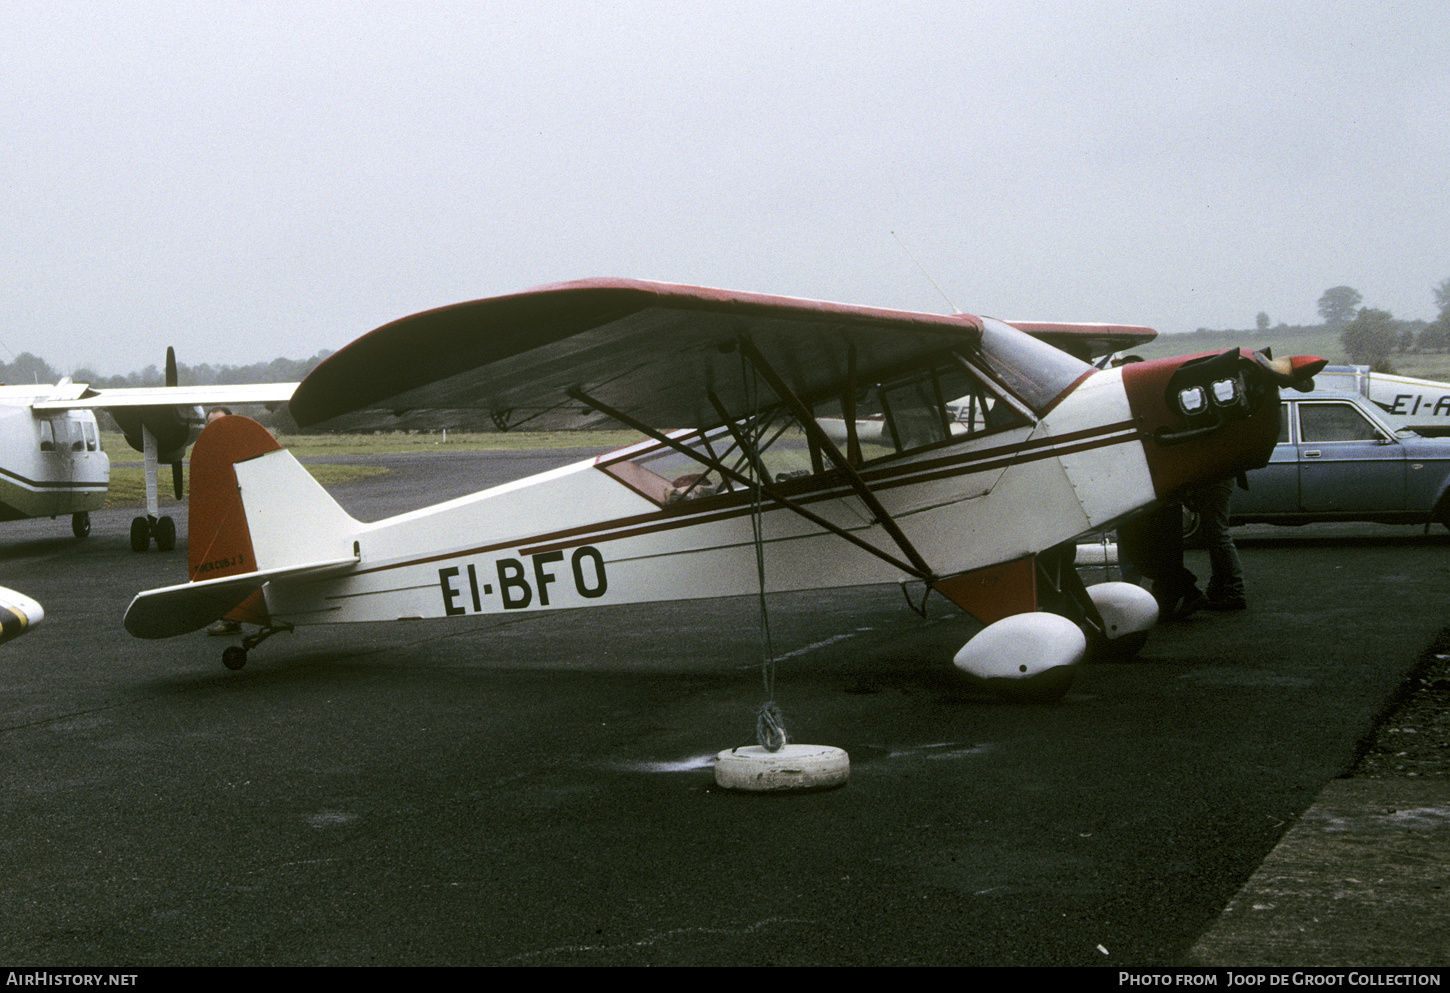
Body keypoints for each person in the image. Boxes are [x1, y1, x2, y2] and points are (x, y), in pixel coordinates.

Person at [1117, 499, 1208, 621]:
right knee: (1164, 556)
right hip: (1162, 503)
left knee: (1148, 557)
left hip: (1147, 506)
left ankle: (1186, 593)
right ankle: (1180, 595)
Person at [1186, 476, 1246, 610]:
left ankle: (1234, 591)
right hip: (1217, 479)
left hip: (1214, 479)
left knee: (1218, 534)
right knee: (1215, 535)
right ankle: (1220, 588)